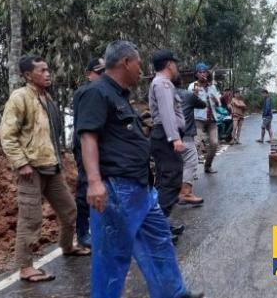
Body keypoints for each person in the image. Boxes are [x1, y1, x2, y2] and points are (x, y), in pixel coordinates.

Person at [76, 41, 203, 298]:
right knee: (111, 257)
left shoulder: (119, 95)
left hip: (139, 188)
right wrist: (94, 182)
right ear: (126, 62)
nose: (140, 69)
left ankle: (173, 293)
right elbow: (87, 137)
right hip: (115, 188)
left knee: (159, 241)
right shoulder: (95, 92)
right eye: (138, 63)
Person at [0, 54, 90, 283]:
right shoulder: (20, 97)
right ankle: (26, 268)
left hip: (51, 165)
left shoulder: (46, 97)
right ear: (28, 75)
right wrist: (21, 163)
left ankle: (68, 246)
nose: (48, 73)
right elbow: (7, 136)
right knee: (31, 219)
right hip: (31, 169)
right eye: (42, 70)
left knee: (69, 210)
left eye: (48, 69)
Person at [148, 49, 188, 239]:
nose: (176, 67)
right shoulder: (163, 84)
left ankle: (160, 224)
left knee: (165, 180)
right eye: (175, 63)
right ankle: (157, 228)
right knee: (171, 180)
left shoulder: (162, 83)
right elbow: (167, 113)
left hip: (164, 136)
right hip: (166, 137)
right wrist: (175, 138)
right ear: (169, 64)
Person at [72, 57, 105, 248]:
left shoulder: (106, 91)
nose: (101, 77)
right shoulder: (85, 92)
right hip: (85, 146)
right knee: (86, 186)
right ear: (89, 74)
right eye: (98, 73)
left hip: (101, 147)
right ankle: (83, 232)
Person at [174, 75, 205, 205]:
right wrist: (196, 94)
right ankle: (185, 193)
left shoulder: (164, 94)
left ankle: (173, 194)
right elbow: (202, 105)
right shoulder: (187, 95)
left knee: (174, 165)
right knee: (191, 161)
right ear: (181, 82)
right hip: (185, 135)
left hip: (166, 135)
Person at [188, 63, 221, 174]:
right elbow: (188, 103)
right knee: (196, 144)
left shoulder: (212, 86)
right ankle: (191, 171)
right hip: (198, 119)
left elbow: (219, 104)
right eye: (200, 72)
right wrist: (195, 95)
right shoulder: (192, 86)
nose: (202, 74)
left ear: (207, 73)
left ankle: (208, 166)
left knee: (214, 143)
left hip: (212, 119)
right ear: (196, 74)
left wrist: (216, 100)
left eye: (204, 72)